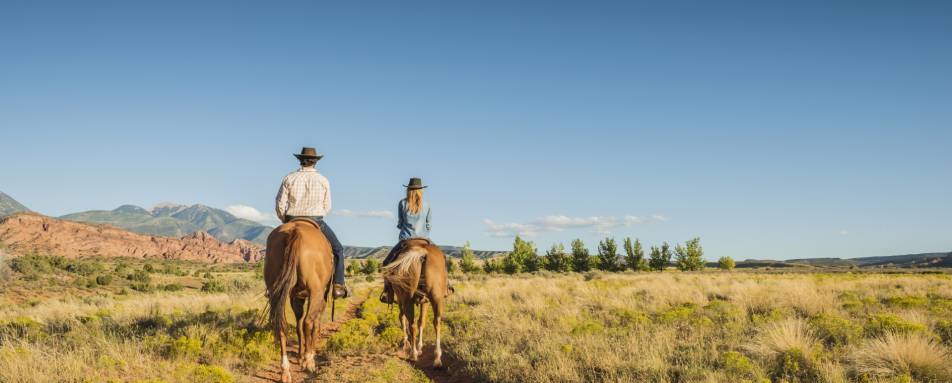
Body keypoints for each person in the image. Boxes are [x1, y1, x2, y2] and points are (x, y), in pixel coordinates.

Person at [275, 147, 350, 298]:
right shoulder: (323, 180)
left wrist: (285, 220)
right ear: (315, 162)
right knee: (338, 250)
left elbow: (280, 204)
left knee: (274, 248)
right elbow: (327, 207)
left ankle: (272, 284)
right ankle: (338, 285)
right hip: (315, 220)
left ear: (300, 161)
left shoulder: (289, 178)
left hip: (291, 219)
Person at [379, 177, 431, 303]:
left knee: (386, 263)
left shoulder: (402, 204)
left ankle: (388, 292)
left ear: (408, 190)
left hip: (406, 241)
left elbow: (400, 224)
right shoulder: (427, 204)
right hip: (424, 240)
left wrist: (404, 226)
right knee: (442, 259)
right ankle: (446, 285)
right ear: (421, 190)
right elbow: (428, 225)